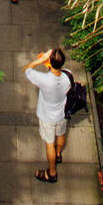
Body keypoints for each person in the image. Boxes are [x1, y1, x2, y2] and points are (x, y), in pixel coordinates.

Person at [24, 47, 70, 183]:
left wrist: (40, 60)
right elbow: (58, 76)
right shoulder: (68, 76)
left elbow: (27, 69)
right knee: (61, 134)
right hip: (62, 113)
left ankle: (51, 173)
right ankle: (58, 154)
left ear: (50, 62)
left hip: (47, 116)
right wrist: (50, 63)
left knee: (49, 143)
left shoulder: (43, 80)